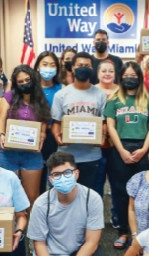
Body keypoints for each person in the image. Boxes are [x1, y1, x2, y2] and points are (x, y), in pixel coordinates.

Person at [27, 151, 114, 256]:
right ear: (50, 179)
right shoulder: (41, 204)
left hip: (80, 250)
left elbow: (91, 242)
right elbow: (39, 244)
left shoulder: (92, 198)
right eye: (56, 174)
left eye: (67, 172)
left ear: (76, 174)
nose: (63, 178)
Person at [104, 61, 149, 248]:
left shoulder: (148, 100)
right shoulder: (114, 99)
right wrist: (121, 150)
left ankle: (143, 232)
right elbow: (110, 126)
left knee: (144, 193)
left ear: (139, 77)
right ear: (121, 77)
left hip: (143, 149)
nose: (130, 79)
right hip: (119, 149)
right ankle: (123, 231)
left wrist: (145, 149)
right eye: (126, 76)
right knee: (120, 192)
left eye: (133, 76)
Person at [0, 65, 51, 208]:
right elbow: (0, 121)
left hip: (32, 155)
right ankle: (12, 228)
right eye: (20, 82)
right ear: (15, 83)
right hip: (8, 153)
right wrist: (2, 135)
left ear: (33, 79)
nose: (24, 83)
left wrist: (42, 137)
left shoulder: (41, 99)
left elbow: (43, 127)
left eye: (27, 80)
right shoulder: (8, 96)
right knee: (7, 196)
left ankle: (31, 229)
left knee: (31, 197)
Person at [51, 52, 107, 190]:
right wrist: (58, 137)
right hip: (66, 156)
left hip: (91, 156)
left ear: (92, 69)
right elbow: (56, 123)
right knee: (66, 194)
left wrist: (103, 137)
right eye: (80, 65)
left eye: (87, 66)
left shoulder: (101, 95)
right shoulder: (61, 95)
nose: (83, 68)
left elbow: (104, 123)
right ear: (73, 68)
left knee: (90, 196)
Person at [34, 51, 63, 194]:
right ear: (38, 67)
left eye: (52, 65)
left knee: (55, 172)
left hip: (55, 135)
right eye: (45, 64)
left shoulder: (62, 89)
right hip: (34, 135)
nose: (48, 68)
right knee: (37, 173)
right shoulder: (31, 88)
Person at [95, 60, 119, 198]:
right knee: (97, 183)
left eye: (111, 71)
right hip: (96, 146)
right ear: (98, 73)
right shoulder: (91, 90)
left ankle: (117, 217)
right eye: (104, 71)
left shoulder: (122, 91)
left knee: (116, 183)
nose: (107, 74)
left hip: (117, 146)